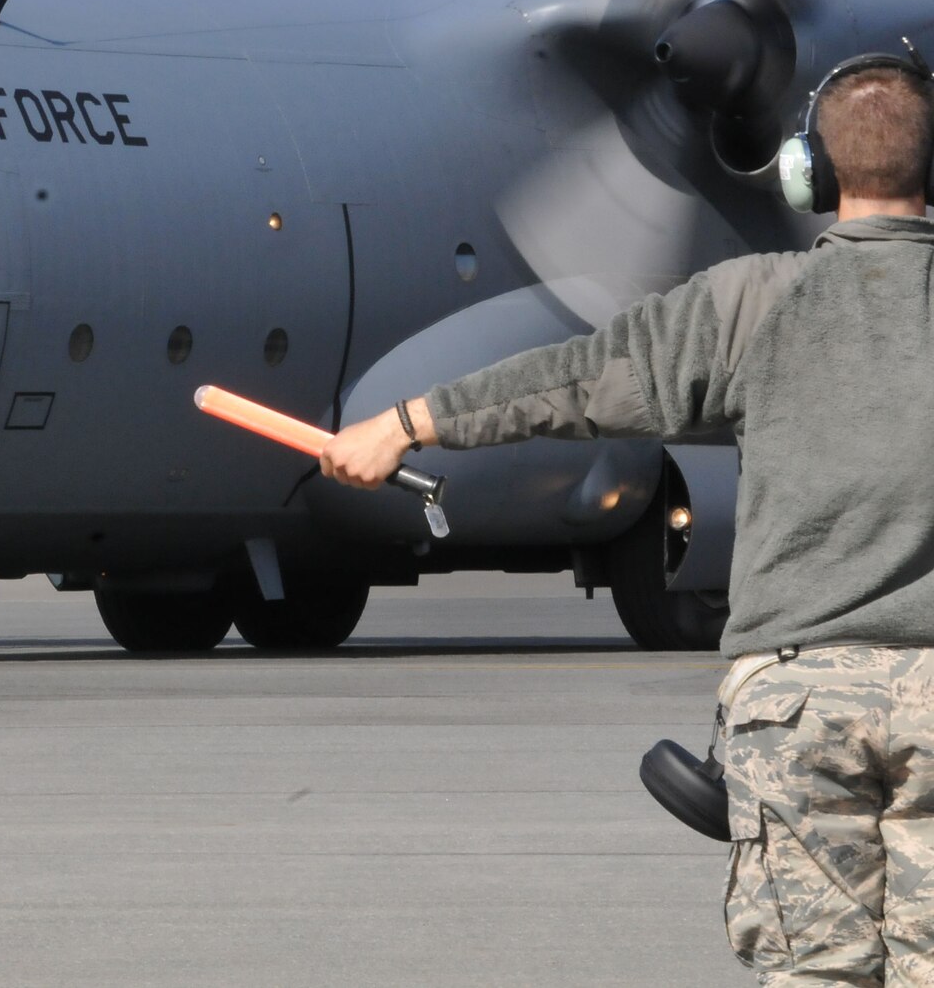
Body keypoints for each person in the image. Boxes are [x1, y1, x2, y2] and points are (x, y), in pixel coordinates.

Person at [319, 55, 934, 986]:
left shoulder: (749, 303)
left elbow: (571, 378)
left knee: (816, 973)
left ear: (810, 169)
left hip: (800, 700)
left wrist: (406, 423)